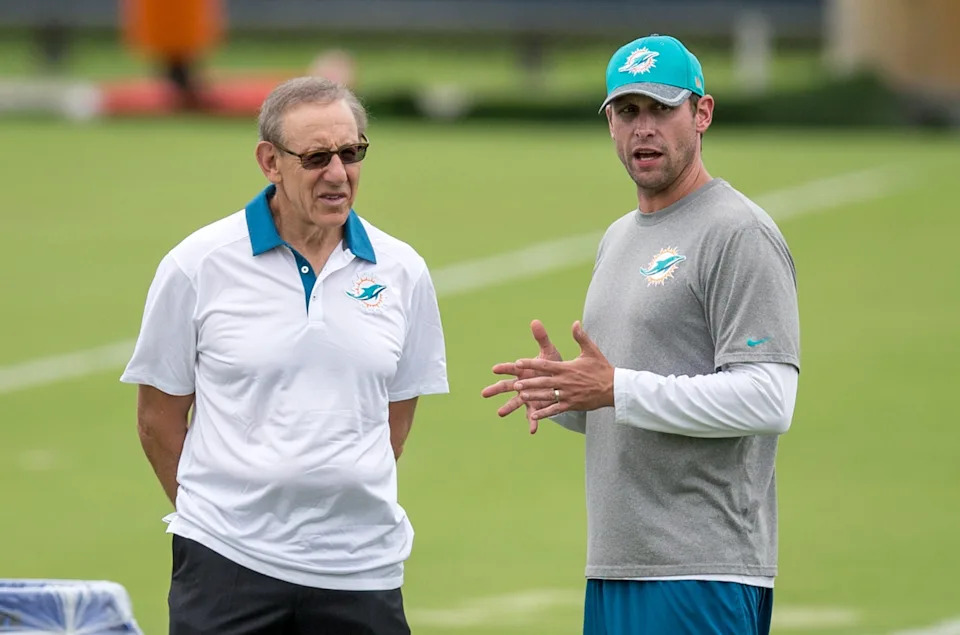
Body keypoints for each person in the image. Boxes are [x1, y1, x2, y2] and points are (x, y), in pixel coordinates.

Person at [482, 34, 800, 635]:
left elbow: (769, 397)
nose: (643, 128)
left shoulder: (739, 234)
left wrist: (616, 388)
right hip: (614, 567)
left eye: (661, 109)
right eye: (627, 112)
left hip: (701, 573)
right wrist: (565, 393)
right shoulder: (618, 237)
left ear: (702, 114)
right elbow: (620, 396)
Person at [121, 76, 448, 634]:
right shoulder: (197, 265)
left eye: (351, 153)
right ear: (270, 161)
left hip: (360, 570)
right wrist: (226, 517)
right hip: (226, 564)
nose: (338, 174)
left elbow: (395, 415)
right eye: (317, 157)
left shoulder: (402, 271)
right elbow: (158, 418)